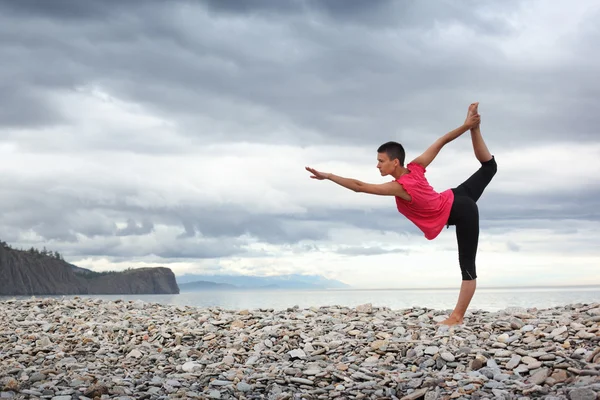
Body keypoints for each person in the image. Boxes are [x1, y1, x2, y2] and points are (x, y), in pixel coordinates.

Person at [305, 103, 497, 325]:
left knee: (466, 264)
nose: (377, 165)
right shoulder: (416, 167)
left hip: (462, 210)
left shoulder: (400, 186)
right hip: (456, 196)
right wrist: (467, 126)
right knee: (489, 167)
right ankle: (476, 128)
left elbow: (359, 186)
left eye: (381, 161)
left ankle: (456, 317)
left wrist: (329, 175)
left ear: (395, 162)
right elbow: (441, 141)